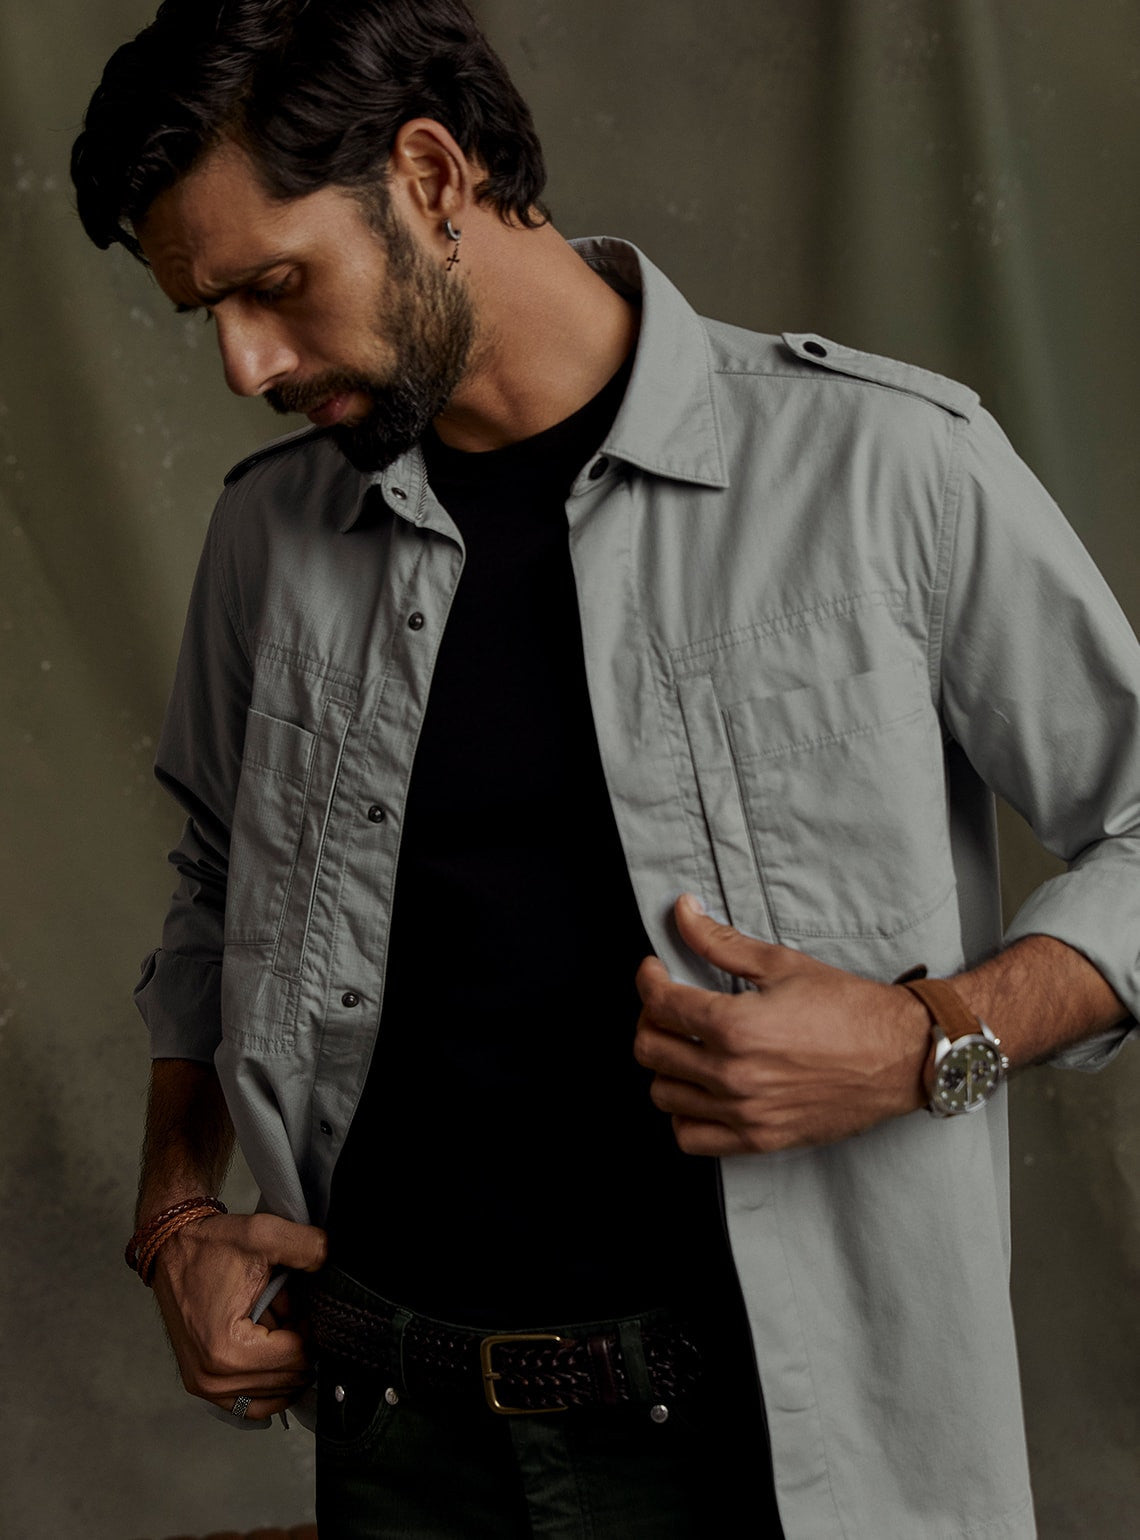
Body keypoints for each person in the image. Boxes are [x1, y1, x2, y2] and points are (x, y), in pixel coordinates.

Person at [71, 2, 1138, 1536]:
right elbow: (216, 893)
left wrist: (928, 1041)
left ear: (431, 175)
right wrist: (176, 1207)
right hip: (395, 1436)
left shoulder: (885, 469)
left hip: (775, 1450)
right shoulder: (270, 535)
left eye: (277, 287)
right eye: (210, 316)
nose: (245, 364)